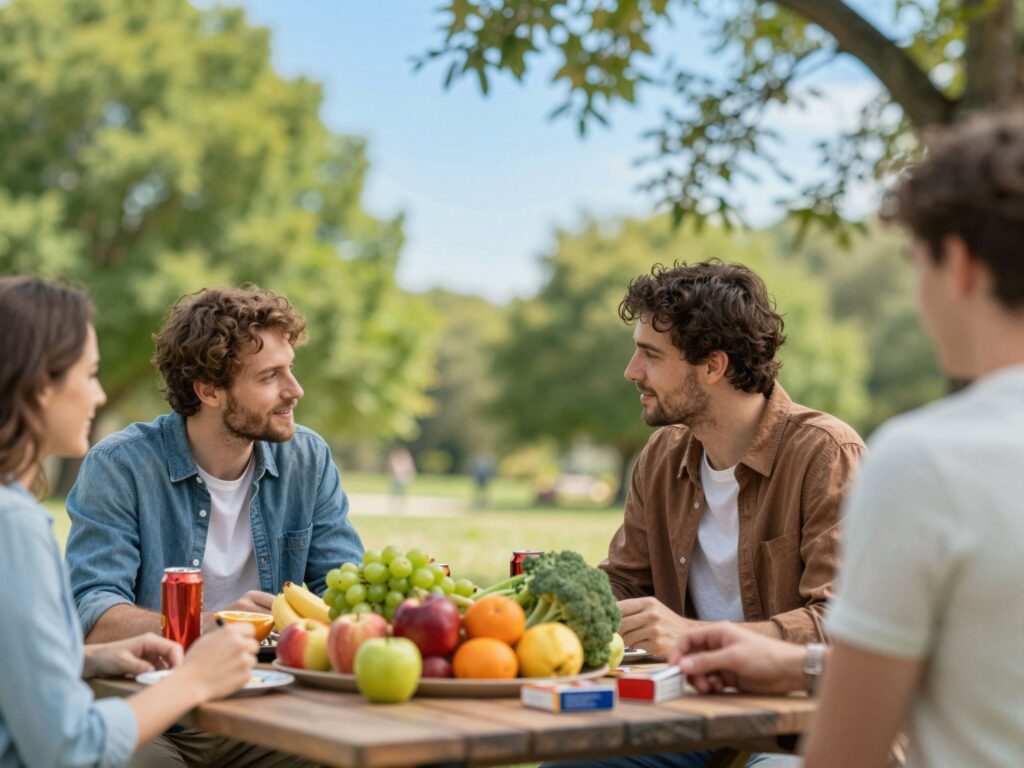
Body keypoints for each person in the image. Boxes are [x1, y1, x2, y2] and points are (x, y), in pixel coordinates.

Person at [671, 112, 1024, 768]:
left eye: (919, 264)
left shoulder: (927, 461)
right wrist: (793, 661)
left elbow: (847, 752)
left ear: (961, 266)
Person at [0, 276, 259, 768]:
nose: (98, 396)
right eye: (90, 373)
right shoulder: (14, 523)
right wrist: (195, 678)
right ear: (39, 385)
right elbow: (68, 749)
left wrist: (86, 660)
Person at [66, 286, 363, 643]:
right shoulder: (120, 466)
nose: (295, 390)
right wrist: (214, 623)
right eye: (270, 376)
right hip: (162, 684)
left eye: (290, 369)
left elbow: (346, 591)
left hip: (279, 678)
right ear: (208, 391)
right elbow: (92, 613)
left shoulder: (308, 459)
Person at [600, 260, 864, 662]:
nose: (631, 372)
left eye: (650, 355)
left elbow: (843, 627)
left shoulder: (827, 455)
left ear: (713, 365)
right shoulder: (659, 457)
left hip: (790, 718)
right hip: (688, 708)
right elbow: (623, 582)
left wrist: (693, 636)